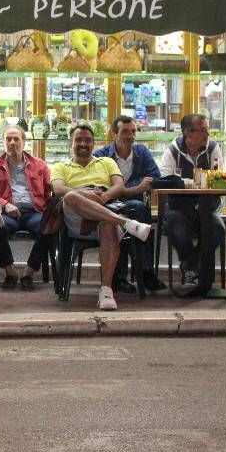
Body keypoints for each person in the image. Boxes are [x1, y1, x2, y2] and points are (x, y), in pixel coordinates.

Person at [50, 124, 153, 311]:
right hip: (77, 216)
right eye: (78, 140)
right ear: (70, 144)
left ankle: (106, 291)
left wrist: (104, 197)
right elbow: (58, 189)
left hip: (105, 205)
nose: (83, 144)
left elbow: (119, 186)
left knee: (107, 226)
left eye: (88, 140)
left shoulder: (106, 162)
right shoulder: (60, 166)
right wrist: (84, 194)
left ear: (93, 143)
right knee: (71, 196)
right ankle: (127, 224)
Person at [93, 115, 166, 293]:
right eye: (125, 131)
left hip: (134, 205)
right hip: (108, 206)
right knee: (137, 213)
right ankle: (135, 274)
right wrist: (135, 187)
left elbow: (154, 177)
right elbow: (98, 185)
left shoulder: (142, 153)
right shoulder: (101, 155)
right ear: (114, 134)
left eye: (133, 131)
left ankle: (142, 272)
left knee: (140, 211)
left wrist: (128, 189)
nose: (130, 136)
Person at [158, 113, 224, 293]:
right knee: (175, 226)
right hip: (179, 208)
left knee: (218, 229)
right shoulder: (171, 151)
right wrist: (196, 182)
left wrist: (186, 181)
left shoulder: (212, 148)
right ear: (187, 132)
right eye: (202, 130)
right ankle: (194, 268)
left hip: (206, 208)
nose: (207, 134)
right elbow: (166, 179)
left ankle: (190, 267)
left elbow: (219, 177)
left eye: (207, 129)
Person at [0, 125, 52, 291]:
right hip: (8, 213)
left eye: (16, 139)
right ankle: (10, 271)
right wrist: (5, 204)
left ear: (24, 142)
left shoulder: (39, 165)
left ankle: (29, 272)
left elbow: (49, 191)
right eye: (8, 139)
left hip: (34, 211)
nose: (12, 143)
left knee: (48, 227)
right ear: (3, 142)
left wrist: (50, 208)